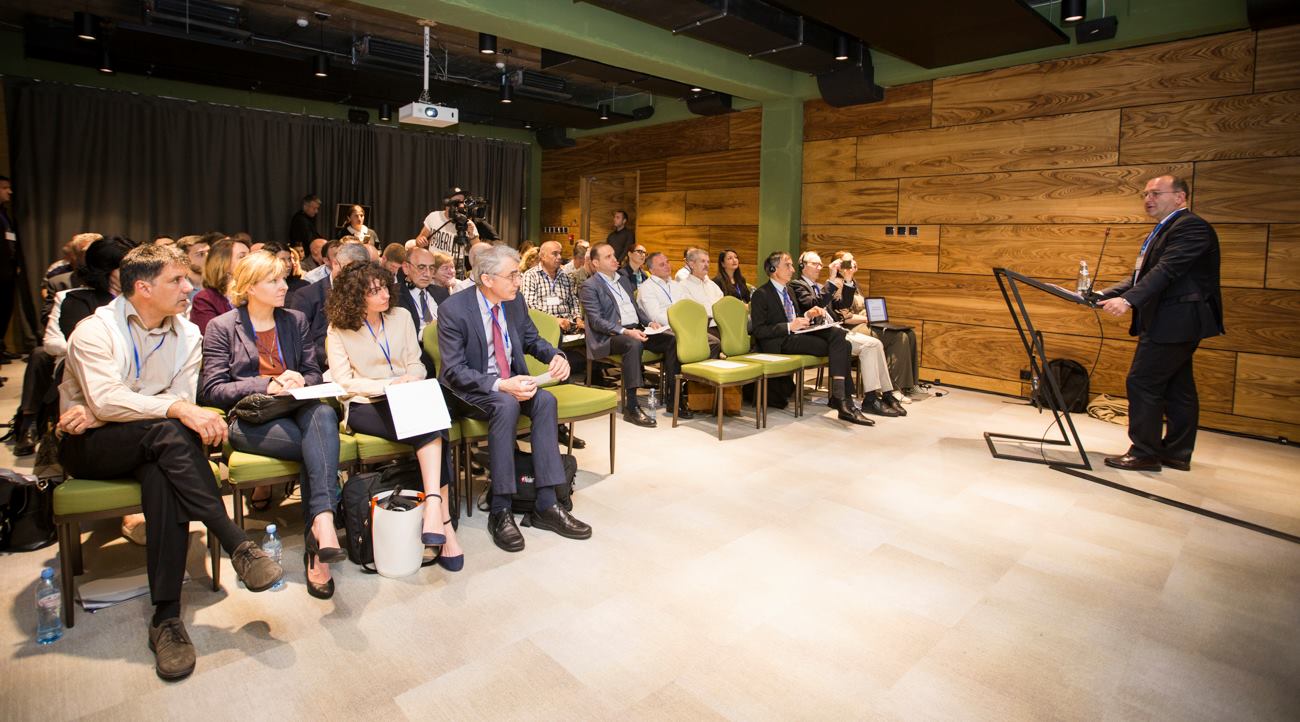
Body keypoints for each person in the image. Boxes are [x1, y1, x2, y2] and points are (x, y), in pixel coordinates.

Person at [58, 243, 283, 680]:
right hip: (90, 445)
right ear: (143, 288)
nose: (188, 288)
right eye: (176, 281)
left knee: (164, 466)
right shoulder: (94, 331)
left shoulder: (188, 334)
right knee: (170, 430)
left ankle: (166, 618)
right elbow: (113, 401)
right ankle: (234, 540)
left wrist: (122, 407)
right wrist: (121, 409)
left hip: (154, 443)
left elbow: (171, 397)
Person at [199, 251, 345, 598]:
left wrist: (299, 379)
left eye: (283, 278)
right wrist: (266, 383)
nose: (284, 286)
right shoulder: (222, 326)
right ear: (250, 287)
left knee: (324, 415)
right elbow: (211, 389)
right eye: (274, 280)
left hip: (296, 407)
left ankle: (321, 526)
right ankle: (320, 539)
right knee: (318, 449)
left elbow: (312, 372)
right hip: (252, 418)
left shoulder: (295, 320)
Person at [437, 244, 592, 552]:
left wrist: (556, 356)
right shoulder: (454, 309)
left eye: (518, 275)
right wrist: (501, 385)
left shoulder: (514, 301)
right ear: (487, 279)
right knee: (506, 403)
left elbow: (532, 340)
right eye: (512, 276)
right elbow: (454, 371)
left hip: (511, 383)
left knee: (546, 401)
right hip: (471, 389)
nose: (519, 282)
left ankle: (547, 503)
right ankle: (501, 508)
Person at [326, 261, 462, 569]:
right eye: (374, 291)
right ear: (355, 296)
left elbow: (416, 362)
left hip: (407, 395)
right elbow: (343, 381)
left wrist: (411, 378)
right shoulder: (339, 329)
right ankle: (443, 521)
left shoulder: (400, 316)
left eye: (385, 287)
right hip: (365, 403)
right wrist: (387, 385)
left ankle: (435, 511)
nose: (385, 294)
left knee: (432, 419)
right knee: (433, 423)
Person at [1096, 175, 1223, 472]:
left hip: (1175, 320)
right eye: (1145, 194)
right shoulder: (1165, 229)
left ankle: (1144, 453)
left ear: (1180, 197)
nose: (1148, 199)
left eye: (1156, 193)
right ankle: (1176, 452)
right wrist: (1103, 294)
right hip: (1172, 320)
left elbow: (1167, 271)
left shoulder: (1191, 227)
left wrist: (1128, 301)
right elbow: (1142, 275)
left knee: (1142, 381)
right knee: (1179, 387)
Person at [14, 237, 130, 456]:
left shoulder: (141, 299)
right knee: (40, 356)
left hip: (127, 371)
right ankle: (33, 423)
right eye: (125, 267)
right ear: (106, 269)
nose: (133, 272)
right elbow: (52, 343)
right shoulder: (73, 299)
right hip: (80, 369)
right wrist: (97, 348)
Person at [751, 251, 874, 427]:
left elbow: (797, 314)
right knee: (843, 345)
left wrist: (808, 315)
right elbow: (759, 330)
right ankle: (842, 400)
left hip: (797, 333)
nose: (793, 269)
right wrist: (789, 326)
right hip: (780, 340)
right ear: (773, 269)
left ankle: (841, 399)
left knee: (840, 338)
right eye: (788, 265)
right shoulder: (761, 294)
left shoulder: (788, 291)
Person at [580, 242, 684, 427]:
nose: (615, 259)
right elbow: (596, 321)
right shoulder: (590, 286)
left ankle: (673, 399)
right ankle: (632, 407)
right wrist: (626, 331)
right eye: (608, 257)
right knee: (632, 344)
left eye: (614, 255)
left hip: (636, 329)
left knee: (672, 340)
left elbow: (635, 309)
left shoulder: (623, 280)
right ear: (595, 263)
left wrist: (648, 322)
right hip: (610, 335)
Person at [828, 252, 924, 403]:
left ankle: (910, 384)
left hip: (864, 323)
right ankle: (893, 388)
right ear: (839, 265)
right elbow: (845, 317)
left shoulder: (854, 283)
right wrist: (868, 318)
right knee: (899, 337)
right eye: (849, 261)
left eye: (853, 259)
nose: (854, 263)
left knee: (909, 334)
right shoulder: (838, 284)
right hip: (851, 328)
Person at [817, 253, 905, 417]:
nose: (819, 267)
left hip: (840, 329)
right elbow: (842, 314)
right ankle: (871, 398)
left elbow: (842, 304)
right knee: (874, 343)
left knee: (883, 341)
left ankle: (886, 393)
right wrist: (833, 277)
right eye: (847, 262)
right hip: (837, 329)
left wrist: (848, 279)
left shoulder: (847, 284)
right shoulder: (824, 283)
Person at [289, 241, 371, 368]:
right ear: (335, 264)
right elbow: (299, 342)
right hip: (324, 367)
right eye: (350, 271)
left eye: (362, 272)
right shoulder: (307, 296)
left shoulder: (368, 293)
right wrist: (335, 356)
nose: (356, 277)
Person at [394, 246, 448, 378]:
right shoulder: (394, 295)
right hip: (417, 352)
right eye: (421, 267)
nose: (427, 274)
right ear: (406, 268)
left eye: (431, 268)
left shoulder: (441, 292)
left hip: (447, 346)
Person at [521, 241, 583, 335]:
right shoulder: (531, 276)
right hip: (543, 327)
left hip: (568, 326)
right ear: (542, 256)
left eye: (560, 253)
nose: (559, 257)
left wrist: (578, 318)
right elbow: (530, 306)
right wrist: (554, 320)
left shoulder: (565, 277)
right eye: (555, 254)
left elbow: (573, 301)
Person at [189, 238, 249, 334]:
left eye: (250, 256)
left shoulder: (254, 293)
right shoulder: (205, 299)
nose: (250, 261)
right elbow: (213, 338)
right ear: (223, 263)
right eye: (242, 256)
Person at [417, 187, 479, 274]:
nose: (461, 205)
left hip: (455, 266)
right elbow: (419, 239)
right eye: (457, 202)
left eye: (462, 202)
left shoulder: (468, 223)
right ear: (446, 203)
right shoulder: (434, 216)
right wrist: (420, 241)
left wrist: (471, 235)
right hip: (434, 264)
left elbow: (479, 250)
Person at [0, 176, 28, 361]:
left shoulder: (4, 214)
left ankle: (1, 347)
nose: (9, 191)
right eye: (4, 188)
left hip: (7, 273)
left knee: (4, 310)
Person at [175, 235, 210, 303]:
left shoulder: (220, 284)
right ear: (185, 259)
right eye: (201, 254)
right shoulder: (177, 289)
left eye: (209, 252)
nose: (208, 258)